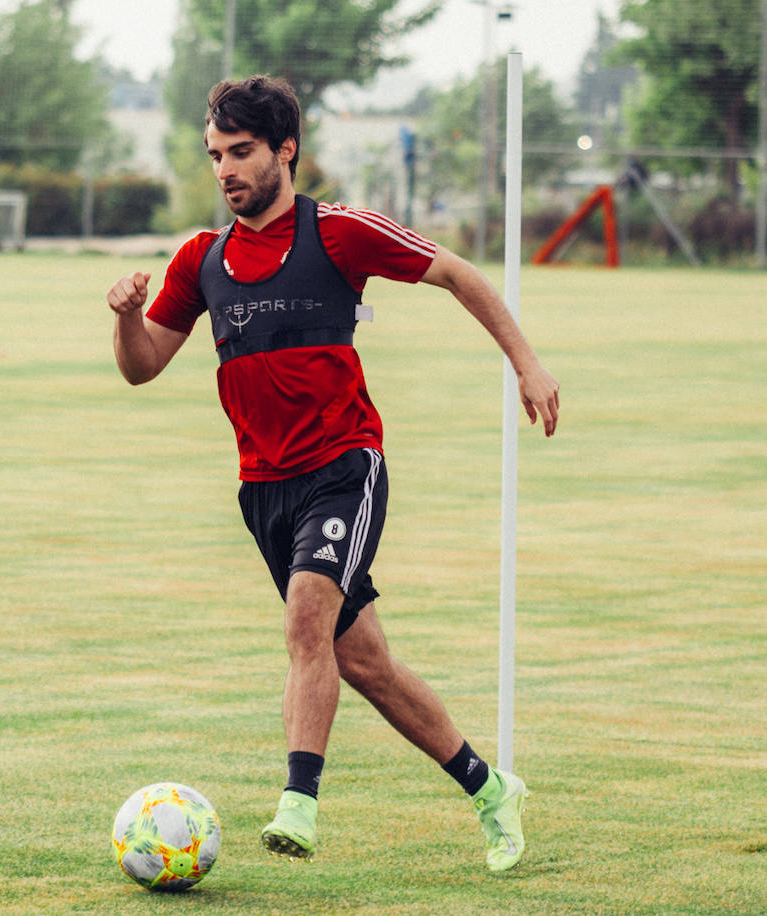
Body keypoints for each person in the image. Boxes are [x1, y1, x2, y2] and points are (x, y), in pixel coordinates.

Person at [105, 75, 560, 874]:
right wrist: (125, 318)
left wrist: (526, 363)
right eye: (215, 155)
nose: (225, 169)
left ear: (286, 150)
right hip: (263, 490)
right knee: (365, 665)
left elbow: (458, 273)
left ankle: (299, 804)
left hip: (345, 466)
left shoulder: (340, 233)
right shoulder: (201, 260)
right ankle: (492, 790)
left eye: (241, 152)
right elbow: (143, 367)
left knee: (306, 621)